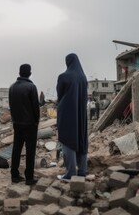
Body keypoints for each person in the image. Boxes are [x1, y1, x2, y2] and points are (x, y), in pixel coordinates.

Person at [56, 53, 88, 182]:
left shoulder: (63, 77)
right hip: (81, 112)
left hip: (67, 112)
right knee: (81, 138)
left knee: (67, 139)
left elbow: (60, 95)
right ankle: (82, 171)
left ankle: (70, 173)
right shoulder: (83, 78)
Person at [9, 64, 40, 185]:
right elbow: (35, 107)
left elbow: (11, 106)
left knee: (16, 149)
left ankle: (14, 175)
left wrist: (14, 119)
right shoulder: (31, 87)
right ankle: (29, 177)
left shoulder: (12, 87)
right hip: (30, 124)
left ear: (19, 72)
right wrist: (36, 121)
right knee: (30, 151)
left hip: (17, 123)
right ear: (30, 73)